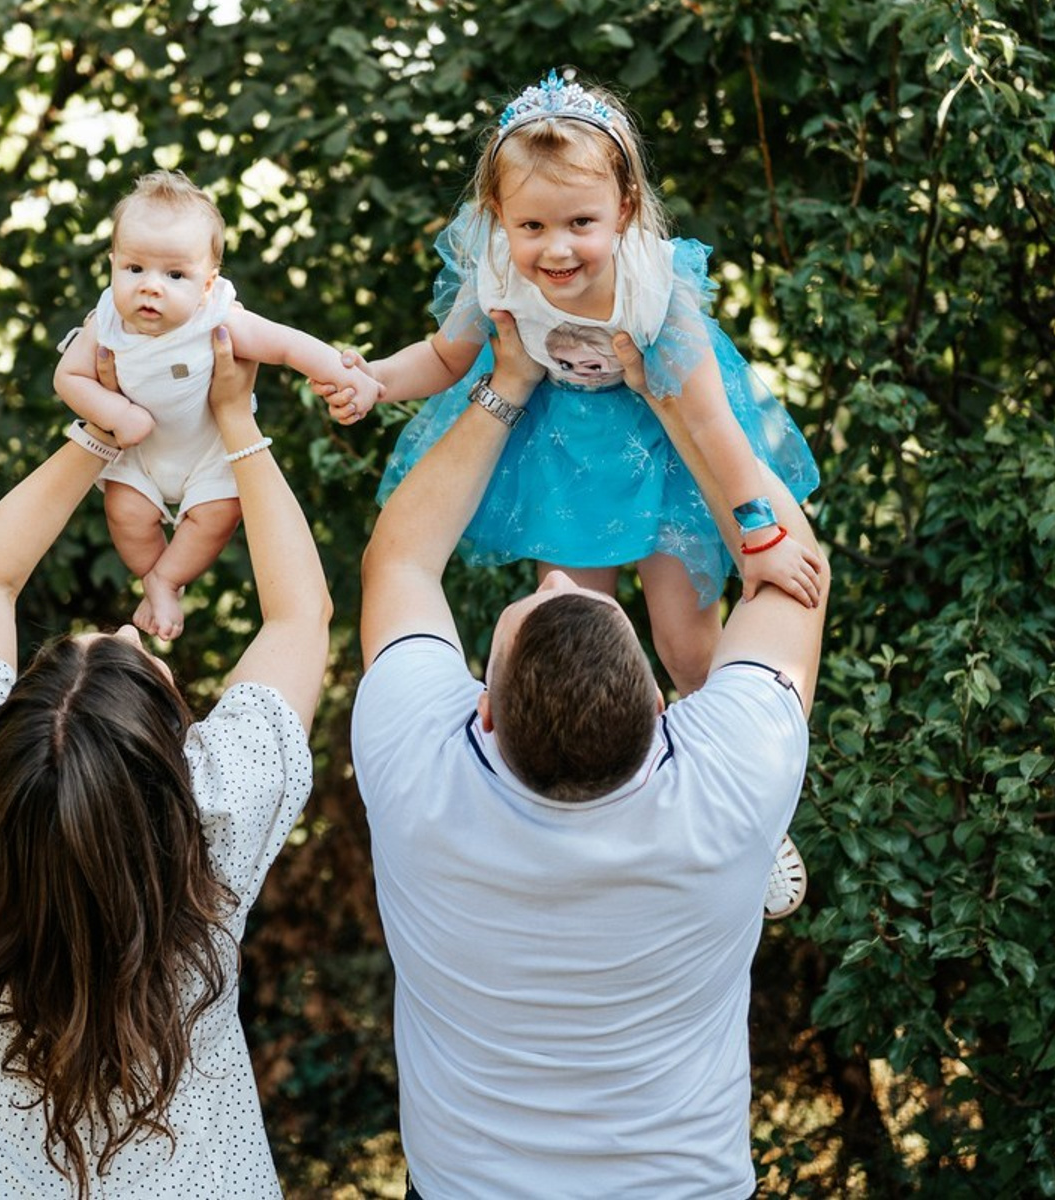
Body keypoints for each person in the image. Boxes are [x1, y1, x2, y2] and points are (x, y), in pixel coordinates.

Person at [350, 309, 829, 1198]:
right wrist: (677, 398)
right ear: (660, 707)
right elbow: (793, 568)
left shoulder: (418, 774)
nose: (567, 574)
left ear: (482, 711)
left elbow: (400, 564)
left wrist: (508, 383)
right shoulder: (733, 781)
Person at [0, 326, 330, 1198]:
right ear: (176, 756)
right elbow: (298, 618)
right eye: (135, 652)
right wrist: (235, 420)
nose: (132, 626)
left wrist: (100, 435)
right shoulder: (216, 817)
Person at [317, 69, 819, 697]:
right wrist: (377, 382)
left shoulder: (655, 289)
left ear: (624, 208)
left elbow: (710, 418)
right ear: (500, 217)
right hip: (565, 450)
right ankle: (599, 756)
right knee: (572, 625)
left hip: (664, 449)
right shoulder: (498, 275)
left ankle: (704, 741)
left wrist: (761, 533)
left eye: (581, 222)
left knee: (686, 645)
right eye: (532, 227)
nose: (556, 250)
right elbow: (444, 357)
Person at [56, 168, 379, 641]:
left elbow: (288, 346)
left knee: (221, 513)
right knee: (125, 514)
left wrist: (348, 376)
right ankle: (152, 575)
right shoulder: (105, 321)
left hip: (208, 454)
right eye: (134, 269)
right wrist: (113, 413)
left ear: (207, 284)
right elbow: (68, 377)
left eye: (174, 275)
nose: (150, 286)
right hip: (138, 457)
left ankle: (167, 579)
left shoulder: (215, 318)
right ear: (112, 264)